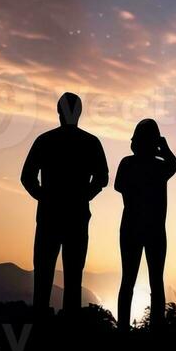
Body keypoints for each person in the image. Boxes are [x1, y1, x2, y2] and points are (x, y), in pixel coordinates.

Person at [20, 92, 109, 315]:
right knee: (73, 275)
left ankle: (41, 323)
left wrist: (43, 197)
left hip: (50, 217)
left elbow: (27, 177)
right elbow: (103, 178)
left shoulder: (45, 140)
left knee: (43, 273)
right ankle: (70, 327)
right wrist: (85, 195)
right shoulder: (90, 142)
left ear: (59, 111)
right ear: (79, 113)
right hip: (76, 217)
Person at [114, 119, 176, 329]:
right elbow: (173, 163)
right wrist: (163, 146)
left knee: (128, 281)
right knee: (156, 283)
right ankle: (156, 329)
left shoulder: (127, 163)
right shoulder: (160, 166)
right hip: (155, 230)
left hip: (131, 228)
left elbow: (119, 186)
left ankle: (123, 328)